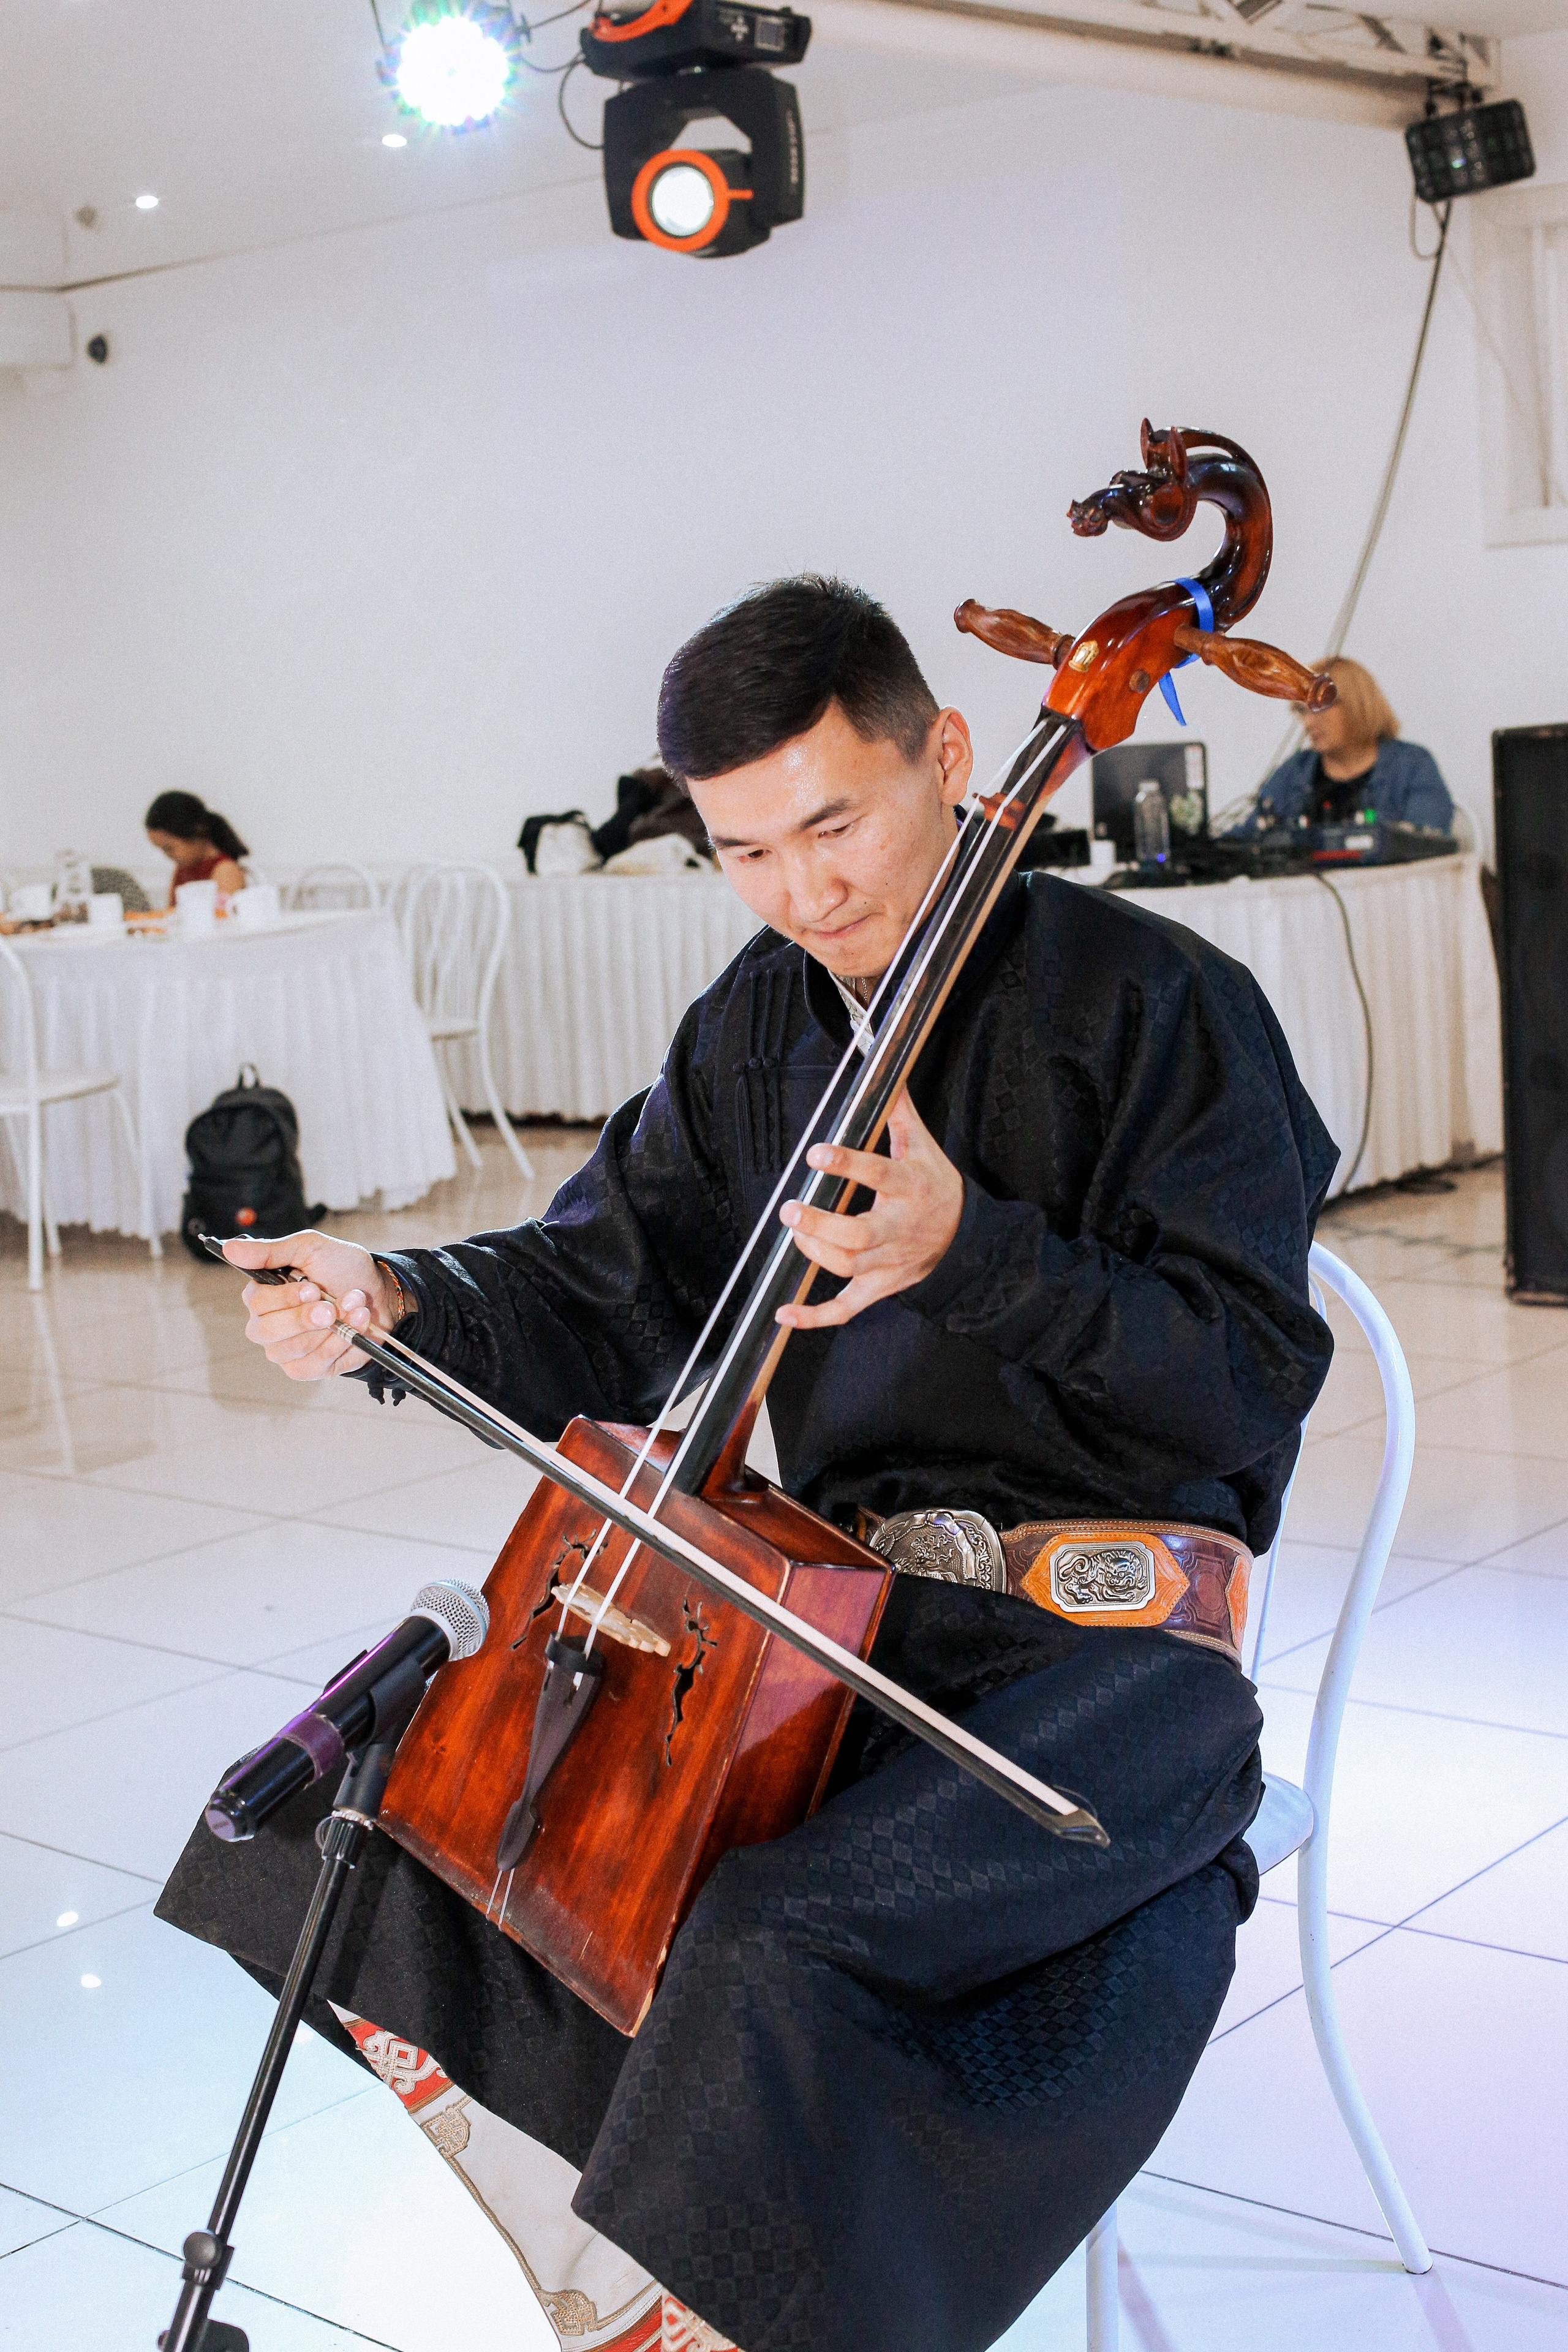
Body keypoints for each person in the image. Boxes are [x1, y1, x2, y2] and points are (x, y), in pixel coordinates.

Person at [158, 579, 1338, 2352]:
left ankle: (731, 2314)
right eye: (747, 852)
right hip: (826, 1622)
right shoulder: (761, 1027)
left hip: (1107, 1658)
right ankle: (638, 2286)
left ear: (949, 753)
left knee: (779, 1934)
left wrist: (976, 1253)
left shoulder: (1166, 1008)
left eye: (836, 823)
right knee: (367, 1808)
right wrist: (396, 1293)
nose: (808, 893)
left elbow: (1248, 1384)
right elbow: (605, 1280)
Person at [1248, 655, 1452, 834]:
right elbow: (1245, 840)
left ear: (1357, 705)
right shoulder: (1294, 770)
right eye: (1302, 711)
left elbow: (1426, 842)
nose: (1308, 723)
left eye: (1318, 707)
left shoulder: (1412, 765)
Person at [144, 788, 249, 902]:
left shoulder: (226, 870)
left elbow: (221, 917)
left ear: (196, 831)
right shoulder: (183, 870)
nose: (167, 855)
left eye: (169, 848)